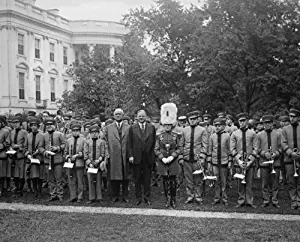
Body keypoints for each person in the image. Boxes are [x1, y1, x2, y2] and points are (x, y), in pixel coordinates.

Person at [154, 103, 183, 208]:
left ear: (172, 125)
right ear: (163, 125)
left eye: (169, 125)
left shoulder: (176, 136)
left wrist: (172, 156)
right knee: (165, 181)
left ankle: (173, 199)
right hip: (163, 161)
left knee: (173, 181)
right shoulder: (159, 136)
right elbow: (156, 149)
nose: (167, 127)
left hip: (173, 161)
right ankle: (167, 199)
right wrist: (162, 157)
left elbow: (180, 148)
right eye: (165, 125)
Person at [128, 110, 156, 205]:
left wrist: (153, 155)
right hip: (136, 157)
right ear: (137, 117)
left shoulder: (151, 127)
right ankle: (138, 197)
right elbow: (130, 143)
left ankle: (147, 197)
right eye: (139, 116)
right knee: (137, 178)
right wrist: (131, 155)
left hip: (148, 157)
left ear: (146, 117)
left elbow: (154, 142)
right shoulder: (132, 128)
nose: (141, 118)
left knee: (147, 178)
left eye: (143, 116)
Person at [103, 108, 130, 203]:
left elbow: (131, 142)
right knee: (114, 177)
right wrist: (107, 154)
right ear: (114, 116)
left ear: (123, 115)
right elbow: (105, 142)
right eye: (116, 114)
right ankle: (115, 195)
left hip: (125, 155)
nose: (118, 115)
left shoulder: (128, 127)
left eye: (120, 114)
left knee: (125, 177)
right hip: (113, 155)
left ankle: (125, 195)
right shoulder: (108, 128)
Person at [230, 113, 257, 208]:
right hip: (239, 162)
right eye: (240, 121)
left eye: (244, 120)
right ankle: (241, 200)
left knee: (249, 183)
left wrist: (250, 160)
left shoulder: (253, 133)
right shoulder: (234, 134)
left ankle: (249, 201)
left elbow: (256, 148)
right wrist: (239, 160)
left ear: (247, 121)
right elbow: (232, 148)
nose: (242, 122)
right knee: (240, 183)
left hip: (250, 162)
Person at [182, 111, 208, 205]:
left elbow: (205, 145)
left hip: (198, 159)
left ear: (197, 119)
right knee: (188, 179)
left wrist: (203, 157)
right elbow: (181, 144)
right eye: (190, 119)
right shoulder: (184, 130)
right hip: (187, 158)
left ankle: (198, 197)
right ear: (188, 120)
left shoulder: (202, 130)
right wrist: (181, 157)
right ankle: (190, 196)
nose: (192, 121)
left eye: (194, 119)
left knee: (198, 179)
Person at [255, 115, 281, 208]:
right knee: (264, 183)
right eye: (265, 123)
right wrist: (264, 153)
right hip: (264, 162)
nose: (267, 125)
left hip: (275, 162)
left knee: (275, 183)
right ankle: (266, 200)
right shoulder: (259, 135)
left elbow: (281, 148)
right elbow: (256, 148)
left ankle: (275, 200)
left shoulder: (278, 134)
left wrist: (276, 153)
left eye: (269, 123)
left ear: (272, 123)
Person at [207, 118, 231, 206]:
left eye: (219, 125)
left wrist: (230, 161)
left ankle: (224, 198)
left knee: (224, 181)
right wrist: (209, 163)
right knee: (216, 180)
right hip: (215, 162)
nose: (217, 127)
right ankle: (217, 198)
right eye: (216, 125)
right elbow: (210, 150)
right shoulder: (212, 136)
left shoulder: (227, 136)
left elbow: (230, 149)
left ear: (224, 126)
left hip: (224, 161)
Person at [281, 108, 300, 210]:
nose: (291, 118)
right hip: (289, 159)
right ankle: (294, 201)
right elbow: (283, 143)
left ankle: (299, 200)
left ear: (298, 117)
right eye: (290, 116)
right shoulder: (285, 129)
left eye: (294, 117)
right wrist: (291, 153)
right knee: (291, 181)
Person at [43, 118, 66, 202]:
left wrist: (57, 148)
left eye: (51, 124)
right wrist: (44, 151)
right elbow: (40, 147)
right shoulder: (44, 135)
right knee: (50, 179)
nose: (49, 126)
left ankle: (60, 194)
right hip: (47, 160)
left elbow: (64, 144)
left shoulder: (60, 134)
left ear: (54, 125)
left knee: (59, 178)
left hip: (57, 160)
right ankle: (53, 194)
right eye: (47, 125)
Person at [84, 125, 107, 203]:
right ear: (90, 133)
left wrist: (99, 160)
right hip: (90, 165)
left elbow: (103, 153)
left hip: (98, 164)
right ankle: (91, 198)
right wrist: (89, 163)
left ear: (98, 133)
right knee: (90, 181)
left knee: (98, 181)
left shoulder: (102, 142)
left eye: (96, 132)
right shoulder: (87, 142)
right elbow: (85, 154)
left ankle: (99, 197)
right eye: (92, 132)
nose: (94, 134)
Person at [24, 117, 45, 198]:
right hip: (31, 158)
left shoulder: (42, 136)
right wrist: (27, 154)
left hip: (39, 158)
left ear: (38, 127)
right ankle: (35, 190)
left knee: (39, 176)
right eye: (32, 125)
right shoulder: (28, 136)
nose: (33, 127)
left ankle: (39, 191)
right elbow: (25, 147)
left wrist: (39, 151)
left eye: (35, 125)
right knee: (33, 175)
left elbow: (43, 146)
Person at [64, 123, 86, 203]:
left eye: (77, 131)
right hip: (70, 163)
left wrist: (78, 155)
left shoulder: (83, 140)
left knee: (80, 180)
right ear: (71, 131)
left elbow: (85, 152)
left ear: (79, 131)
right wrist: (67, 157)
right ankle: (73, 196)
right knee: (71, 180)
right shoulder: (68, 140)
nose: (75, 132)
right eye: (74, 131)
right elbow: (65, 151)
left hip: (79, 163)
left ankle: (80, 196)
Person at [9, 116, 28, 197]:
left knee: (21, 174)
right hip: (13, 155)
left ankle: (20, 189)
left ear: (20, 124)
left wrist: (19, 147)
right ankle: (16, 188)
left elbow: (27, 144)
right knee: (15, 173)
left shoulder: (24, 132)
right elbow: (9, 142)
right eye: (14, 123)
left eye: (17, 123)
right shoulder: (12, 132)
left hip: (21, 155)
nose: (15, 125)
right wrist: (10, 147)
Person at [0, 115, 10, 196]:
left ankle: (2, 188)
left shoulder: (5, 131)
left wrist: (1, 146)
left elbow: (7, 143)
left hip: (2, 155)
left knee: (2, 174)